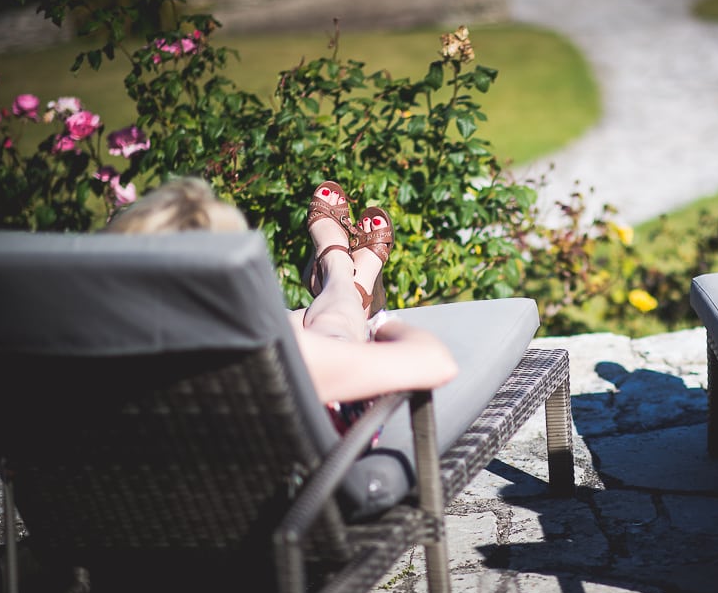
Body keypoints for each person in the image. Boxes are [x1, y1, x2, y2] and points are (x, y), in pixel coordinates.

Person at [105, 177, 458, 425]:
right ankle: (347, 284)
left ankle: (337, 278)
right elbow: (437, 362)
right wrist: (379, 324)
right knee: (330, 326)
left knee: (298, 321)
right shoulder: (261, 361)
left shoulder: (96, 359)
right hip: (306, 492)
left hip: (168, 503)